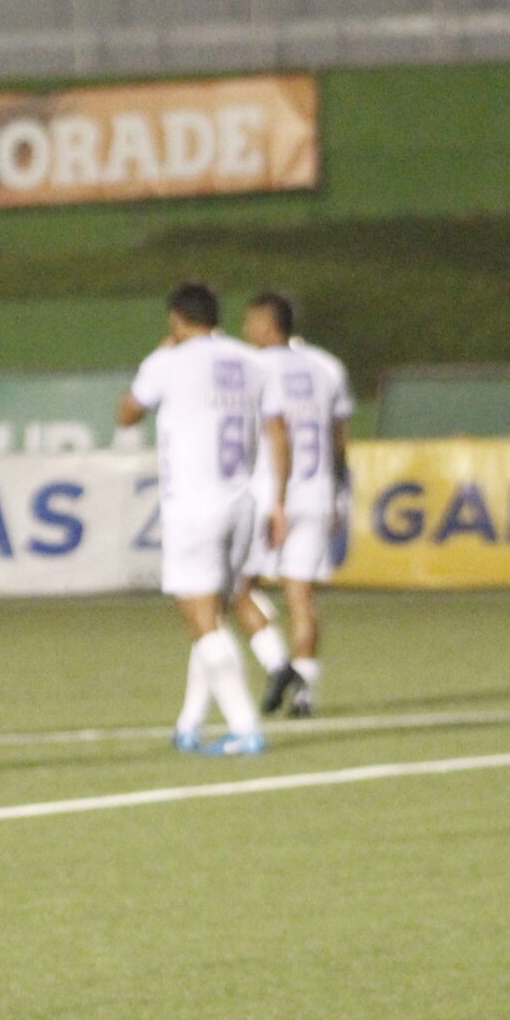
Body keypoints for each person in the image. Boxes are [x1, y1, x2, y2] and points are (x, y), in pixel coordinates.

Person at [117, 280, 286, 756]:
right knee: (214, 608)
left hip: (195, 505)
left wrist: (158, 355)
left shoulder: (167, 362)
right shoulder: (252, 362)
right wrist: (279, 500)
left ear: (176, 318)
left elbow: (127, 414)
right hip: (242, 503)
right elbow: (278, 429)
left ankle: (245, 726)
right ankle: (189, 723)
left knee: (202, 617)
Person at [234, 291, 351, 718]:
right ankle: (305, 696)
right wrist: (340, 493)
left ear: (268, 324)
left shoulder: (252, 368)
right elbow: (339, 440)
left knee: (236, 588)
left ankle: (279, 665)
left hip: (270, 497)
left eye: (250, 322)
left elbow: (261, 432)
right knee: (301, 598)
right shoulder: (327, 367)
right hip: (318, 493)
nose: (246, 331)